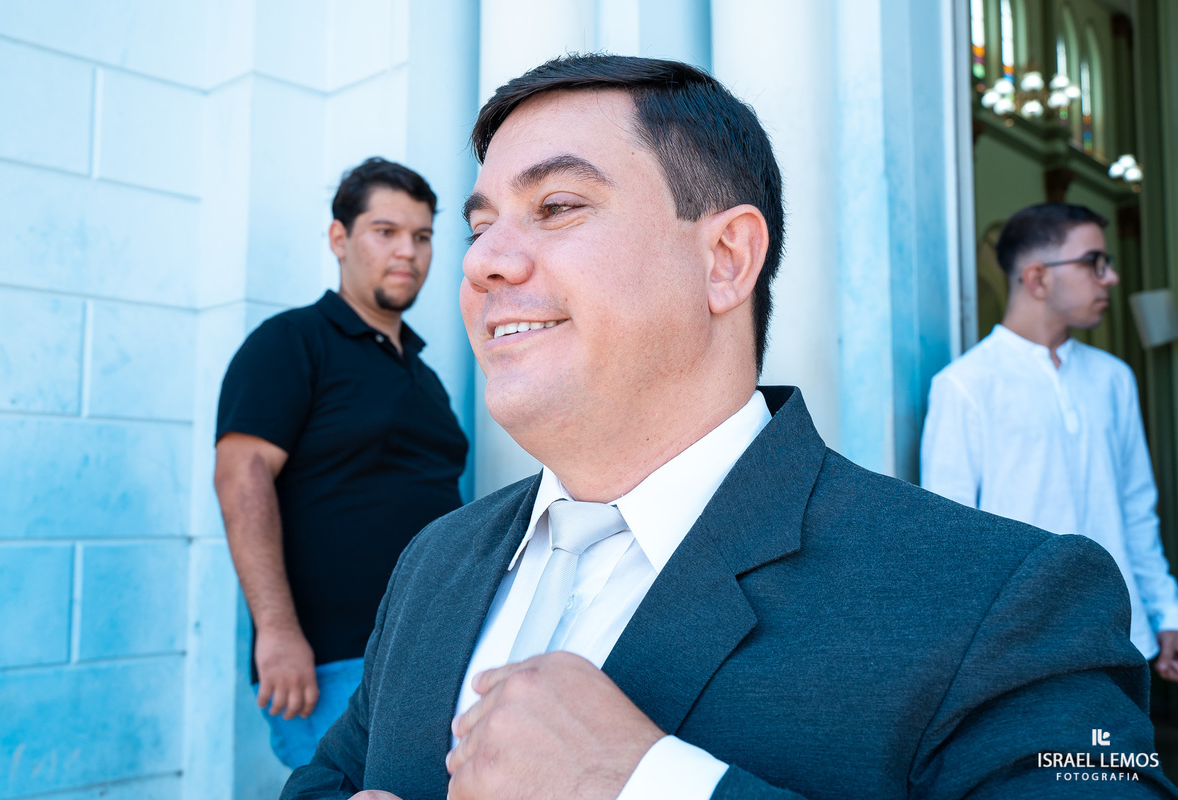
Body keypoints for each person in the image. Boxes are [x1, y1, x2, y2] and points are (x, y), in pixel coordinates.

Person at [283, 57, 1176, 799]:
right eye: (480, 227)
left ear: (725, 258)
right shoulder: (432, 562)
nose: (481, 262)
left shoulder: (1012, 601)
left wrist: (644, 784)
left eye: (557, 206)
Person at [214, 157, 468, 769]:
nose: (407, 251)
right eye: (385, 231)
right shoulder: (293, 342)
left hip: (430, 657)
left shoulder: (425, 375)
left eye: (422, 235)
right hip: (331, 662)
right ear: (339, 238)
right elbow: (240, 477)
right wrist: (276, 631)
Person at [921, 202, 1178, 679]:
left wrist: (1167, 610)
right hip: (1018, 650)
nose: (1110, 278)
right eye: (1094, 263)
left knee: (1123, 756)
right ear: (1038, 278)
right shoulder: (965, 386)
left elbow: (1136, 506)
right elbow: (951, 538)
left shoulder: (1113, 378)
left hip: (1121, 636)